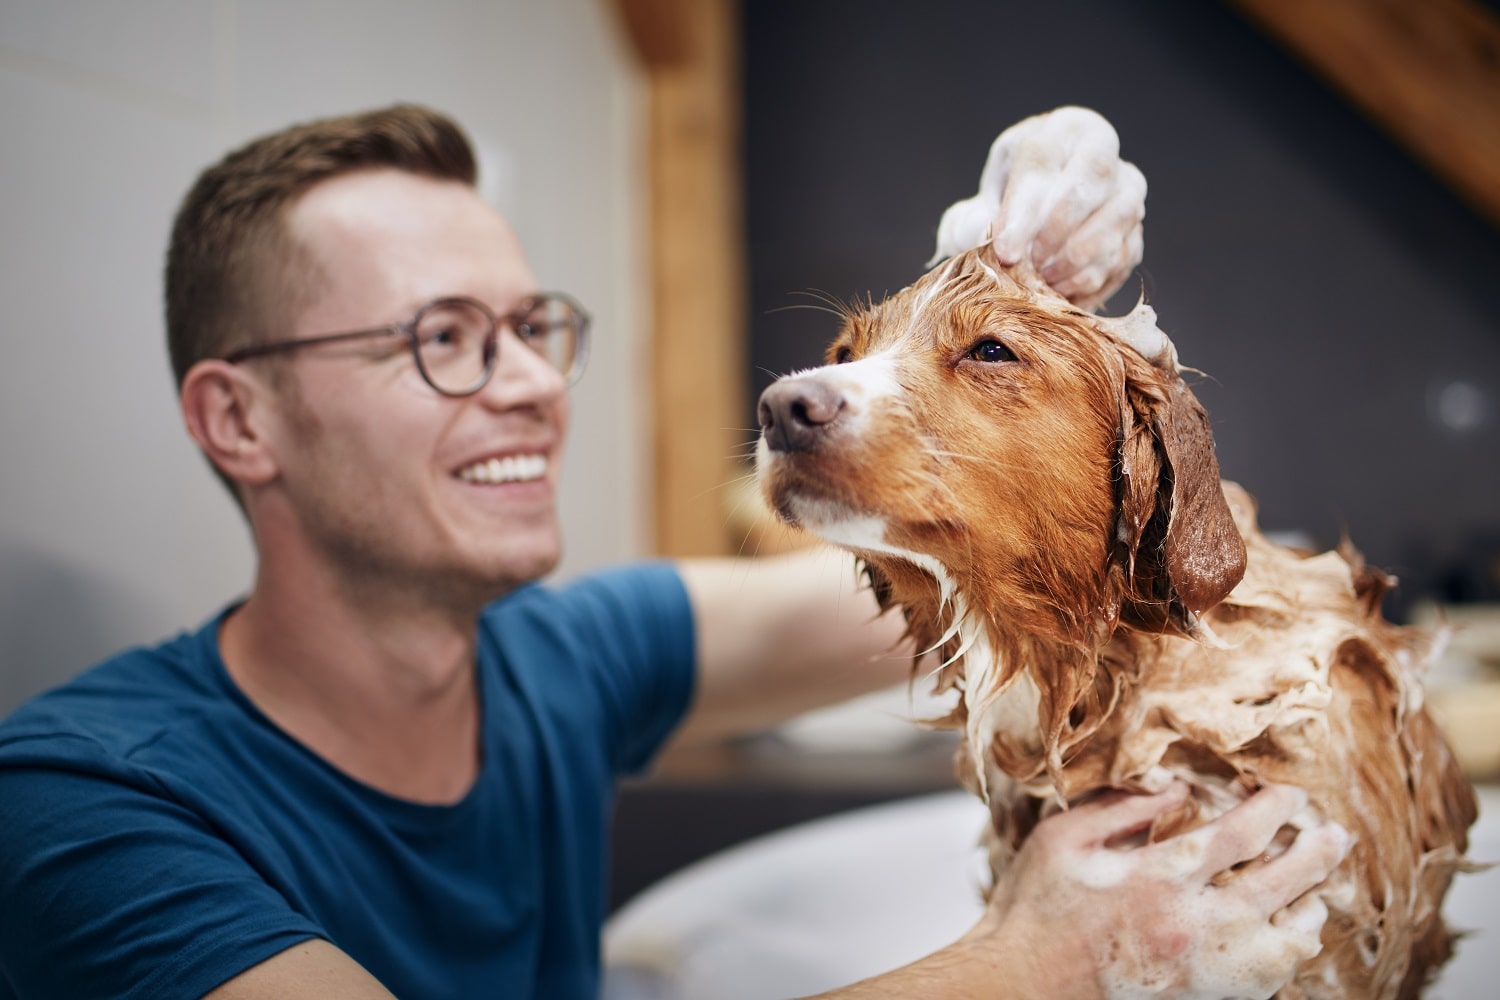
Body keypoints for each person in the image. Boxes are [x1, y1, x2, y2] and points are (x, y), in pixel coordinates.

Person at [0, 105, 1349, 1000]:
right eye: (445, 339)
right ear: (240, 420)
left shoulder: (549, 662)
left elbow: (1100, 567)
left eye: (535, 326)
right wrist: (1038, 959)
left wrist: (1048, 368)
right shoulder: (80, 808)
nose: (531, 382)